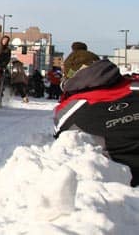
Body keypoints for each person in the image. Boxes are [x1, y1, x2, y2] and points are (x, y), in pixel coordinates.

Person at [54, 41, 139, 187]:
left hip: (119, 187)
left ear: (68, 78)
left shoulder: (69, 111)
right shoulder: (135, 86)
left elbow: (65, 143)